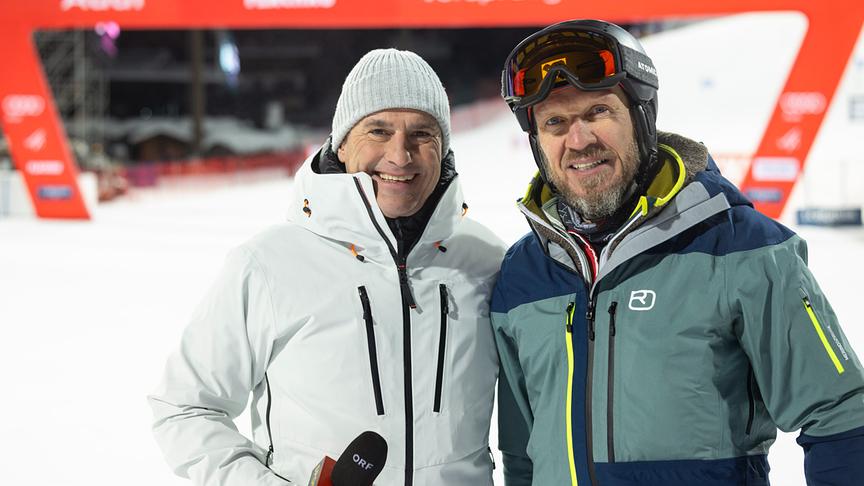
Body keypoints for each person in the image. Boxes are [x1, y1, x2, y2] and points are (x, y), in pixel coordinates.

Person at [491, 19, 864, 486]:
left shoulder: (743, 248)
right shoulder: (522, 274)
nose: (579, 140)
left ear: (642, 117)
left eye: (598, 112)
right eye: (555, 123)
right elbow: (523, 456)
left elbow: (840, 415)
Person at [149, 48, 505, 486]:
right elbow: (185, 407)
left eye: (422, 134)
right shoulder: (268, 264)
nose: (401, 154)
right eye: (378, 130)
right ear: (341, 143)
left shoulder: (488, 260)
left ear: (444, 147)